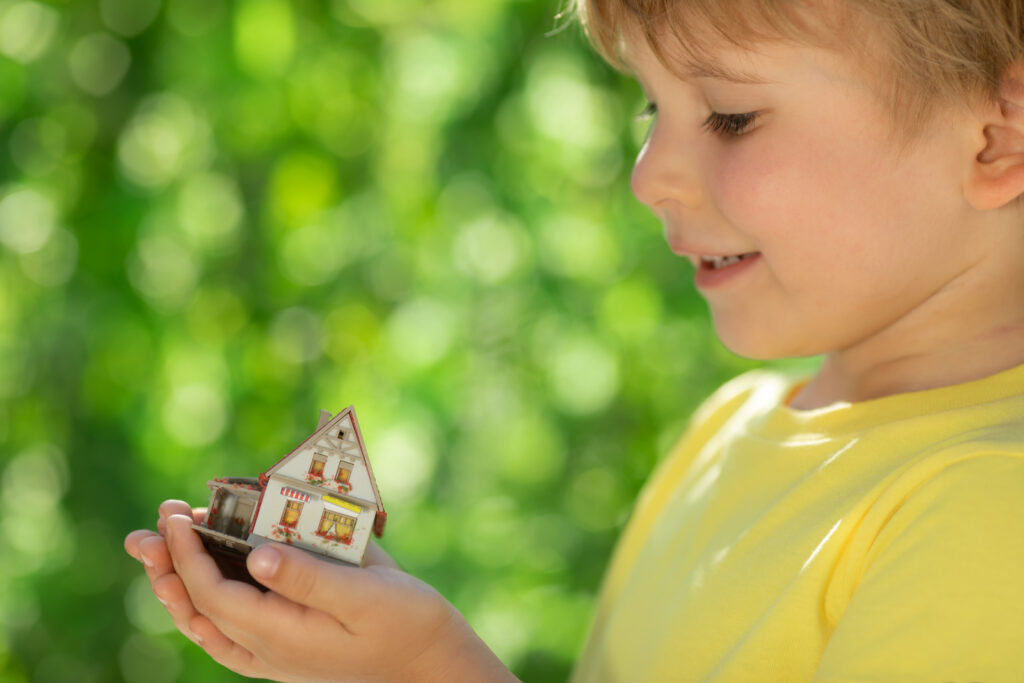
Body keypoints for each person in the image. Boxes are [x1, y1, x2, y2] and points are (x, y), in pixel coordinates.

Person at [125, 0, 1024, 680]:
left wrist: (433, 667)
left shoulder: (992, 514)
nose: (650, 176)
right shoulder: (728, 432)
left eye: (730, 116)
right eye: (649, 112)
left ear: (995, 138)